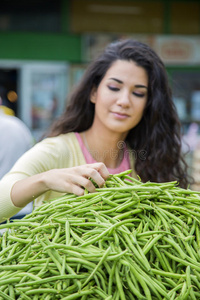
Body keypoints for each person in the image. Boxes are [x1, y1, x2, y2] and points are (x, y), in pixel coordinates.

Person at [0, 39, 191, 223]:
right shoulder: (56, 151)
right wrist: (45, 180)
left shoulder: (146, 161)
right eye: (114, 87)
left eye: (138, 93)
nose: (124, 101)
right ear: (93, 92)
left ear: (148, 104)